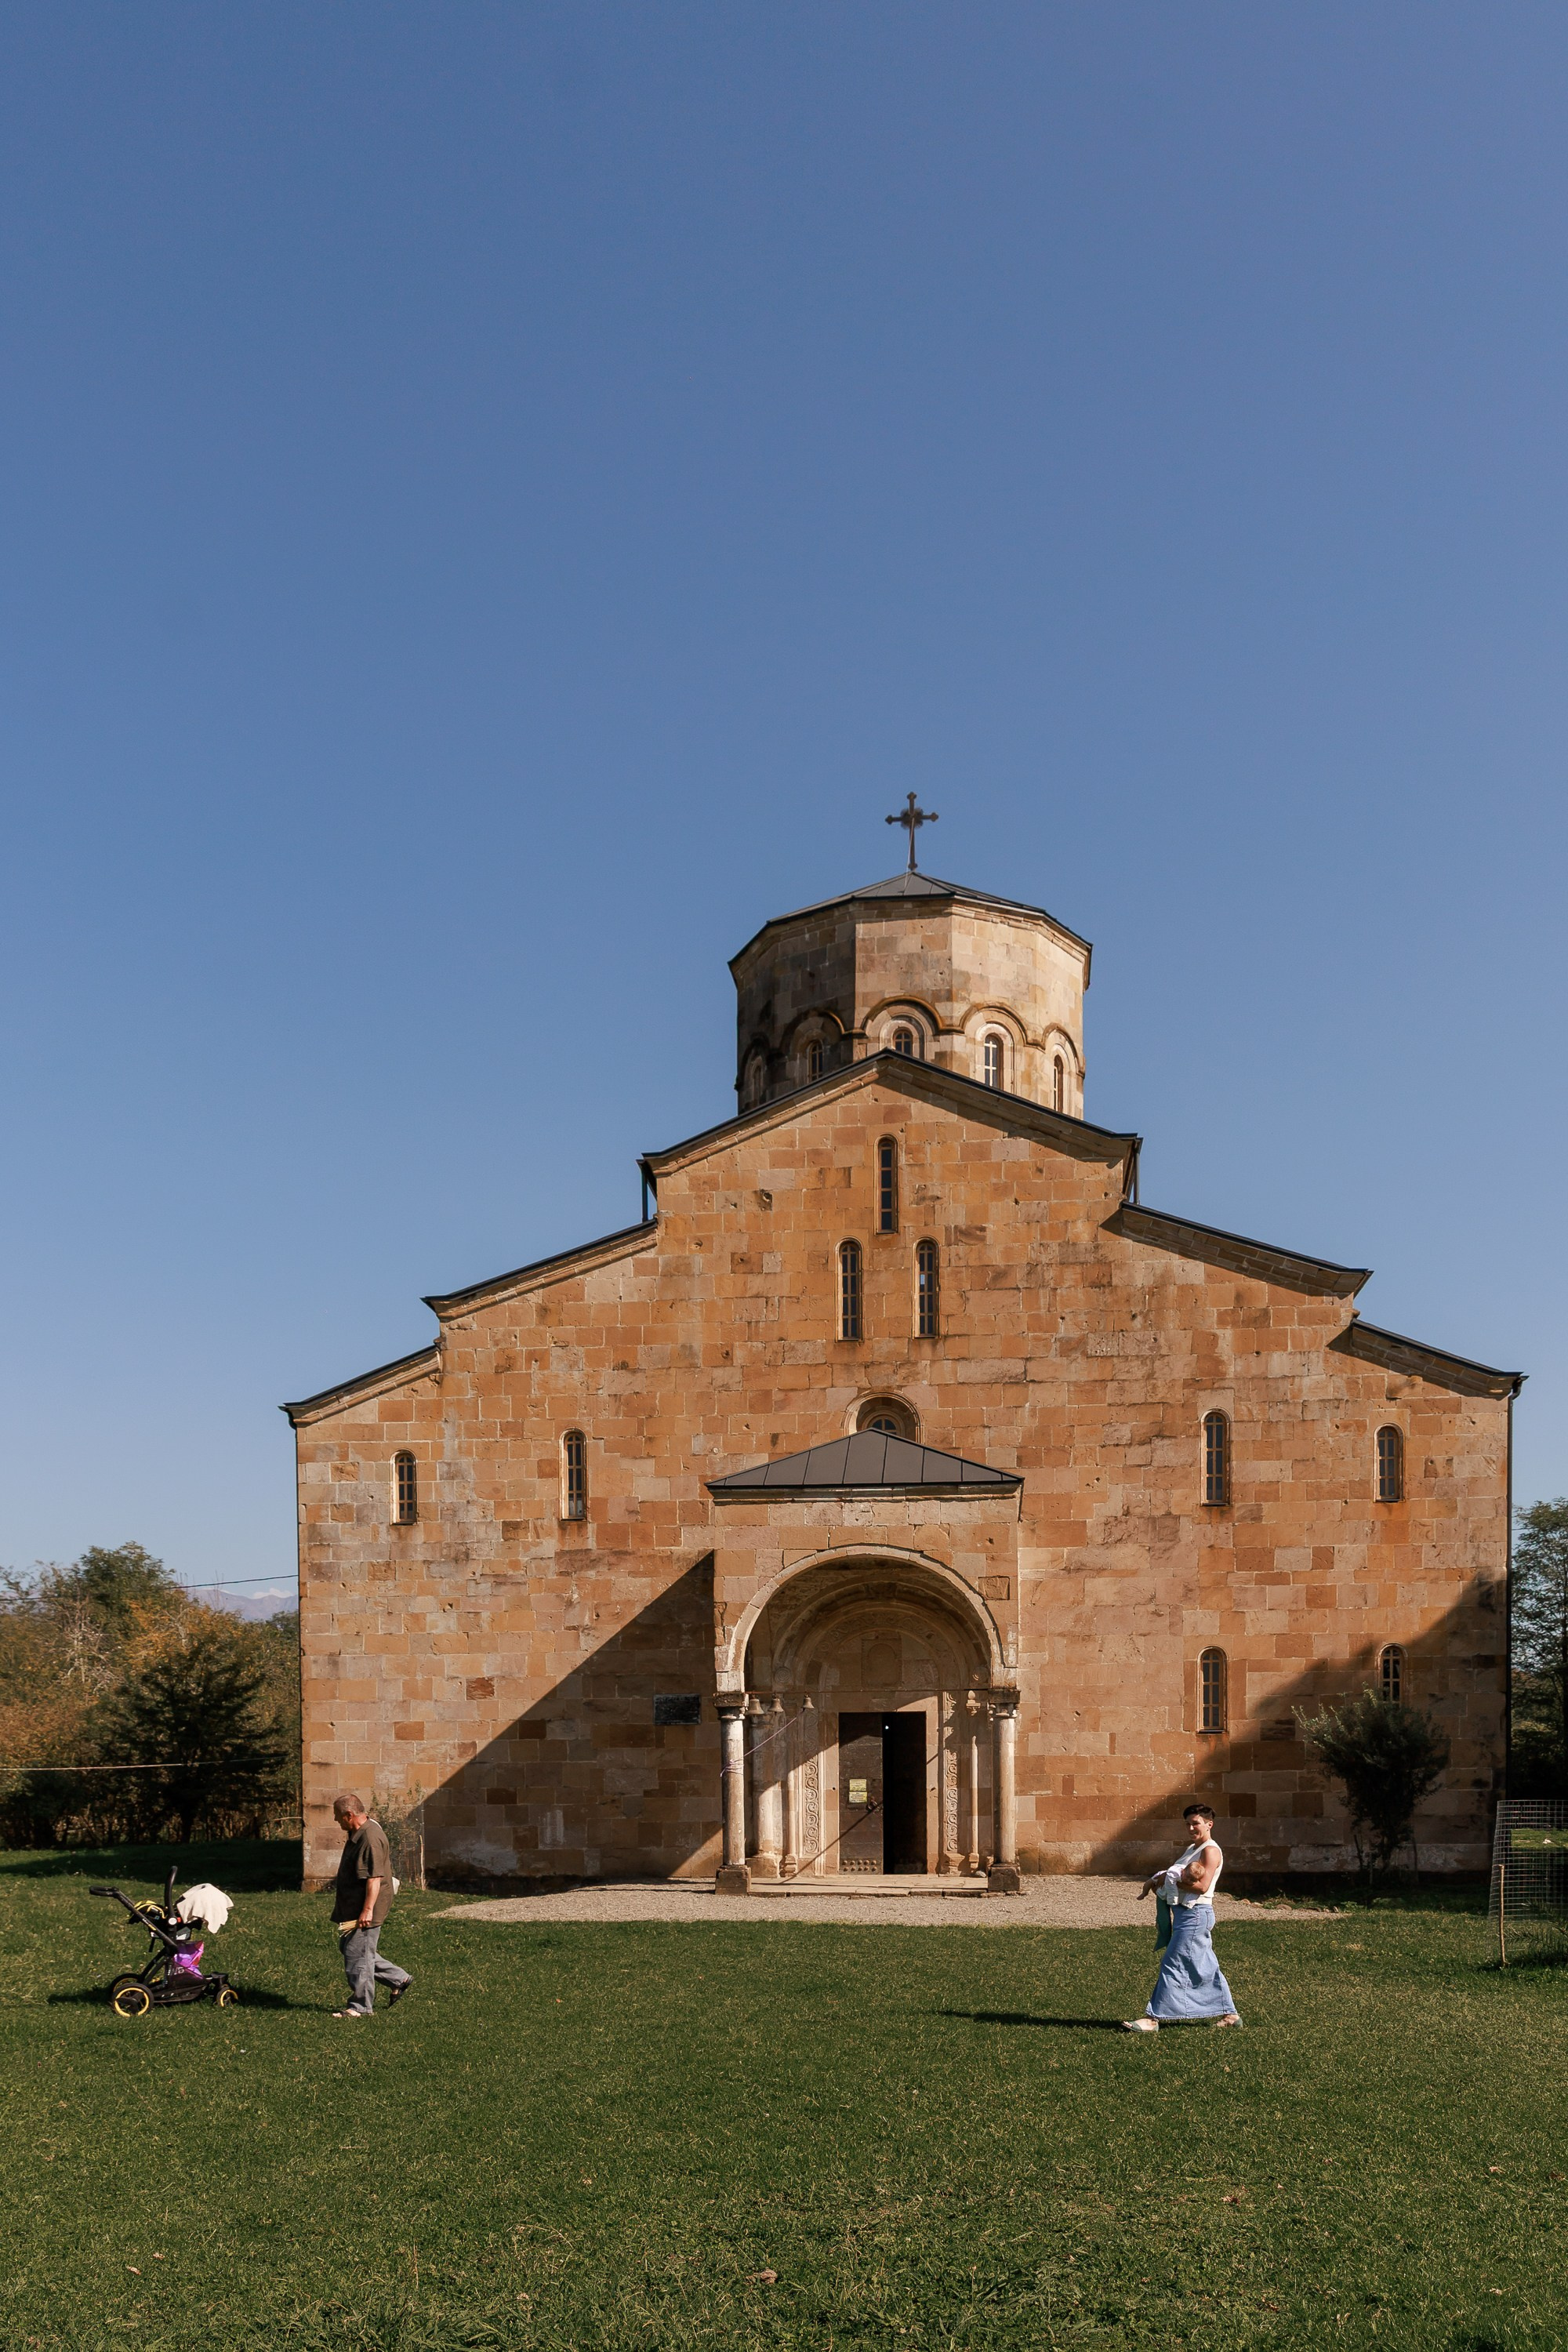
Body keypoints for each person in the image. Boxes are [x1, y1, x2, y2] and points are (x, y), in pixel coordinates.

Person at [1122, 1802, 1241, 2032]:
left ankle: (1152, 2018)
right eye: (1187, 1824)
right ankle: (1231, 2015)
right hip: (1187, 1914)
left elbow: (1203, 1887)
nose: (1191, 1828)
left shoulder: (1210, 1850)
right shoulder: (1193, 1849)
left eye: (1195, 1823)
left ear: (1209, 1824)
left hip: (1195, 1915)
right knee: (1206, 1966)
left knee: (1173, 1963)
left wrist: (1169, 1881)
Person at [330, 1792, 412, 2019]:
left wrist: (367, 1911)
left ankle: (361, 2007)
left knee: (357, 1955)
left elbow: (374, 1878)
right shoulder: (359, 1830)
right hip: (355, 1905)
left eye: (337, 1816)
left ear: (349, 1815)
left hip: (367, 1907)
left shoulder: (370, 1838)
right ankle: (399, 1979)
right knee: (352, 1949)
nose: (336, 1820)